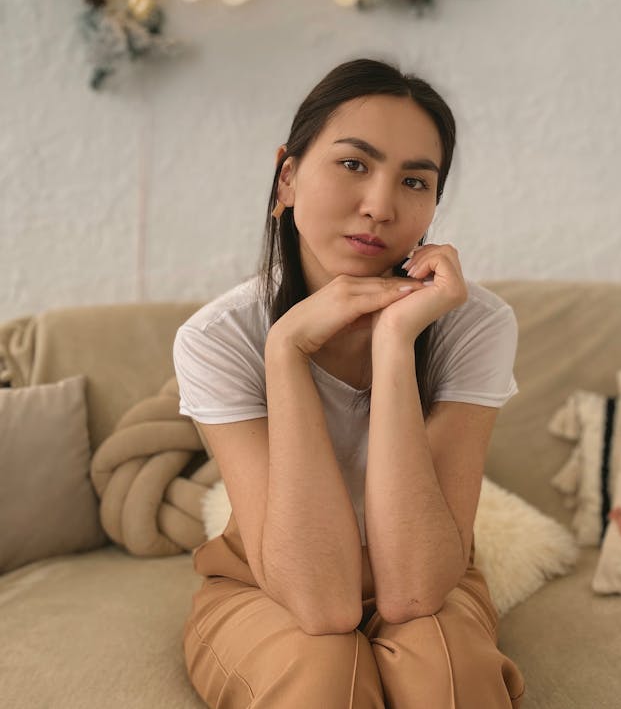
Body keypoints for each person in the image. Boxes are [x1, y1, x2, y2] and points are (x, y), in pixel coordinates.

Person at [173, 57, 526, 708]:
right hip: (268, 576)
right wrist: (285, 350)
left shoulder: (472, 323)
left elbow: (415, 590)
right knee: (320, 675)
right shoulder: (218, 336)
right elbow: (321, 598)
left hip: (429, 568)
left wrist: (394, 340)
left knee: (449, 680)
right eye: (354, 164)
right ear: (287, 177)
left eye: (414, 180)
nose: (380, 206)